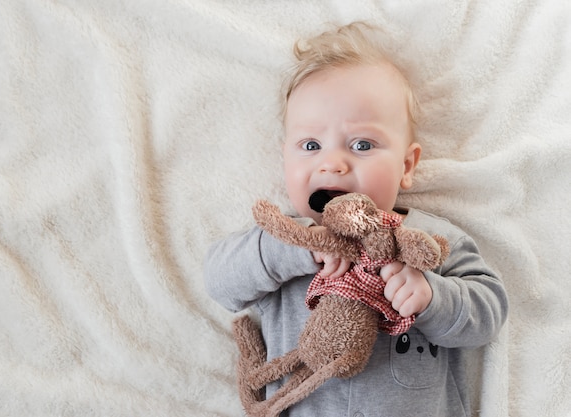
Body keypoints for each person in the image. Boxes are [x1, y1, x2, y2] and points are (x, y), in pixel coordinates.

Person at [203, 22, 508, 417]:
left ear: (406, 165)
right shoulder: (285, 239)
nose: (332, 163)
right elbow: (219, 281)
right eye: (310, 145)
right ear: (285, 159)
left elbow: (489, 311)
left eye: (362, 144)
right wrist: (287, 252)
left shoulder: (430, 240)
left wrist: (433, 298)